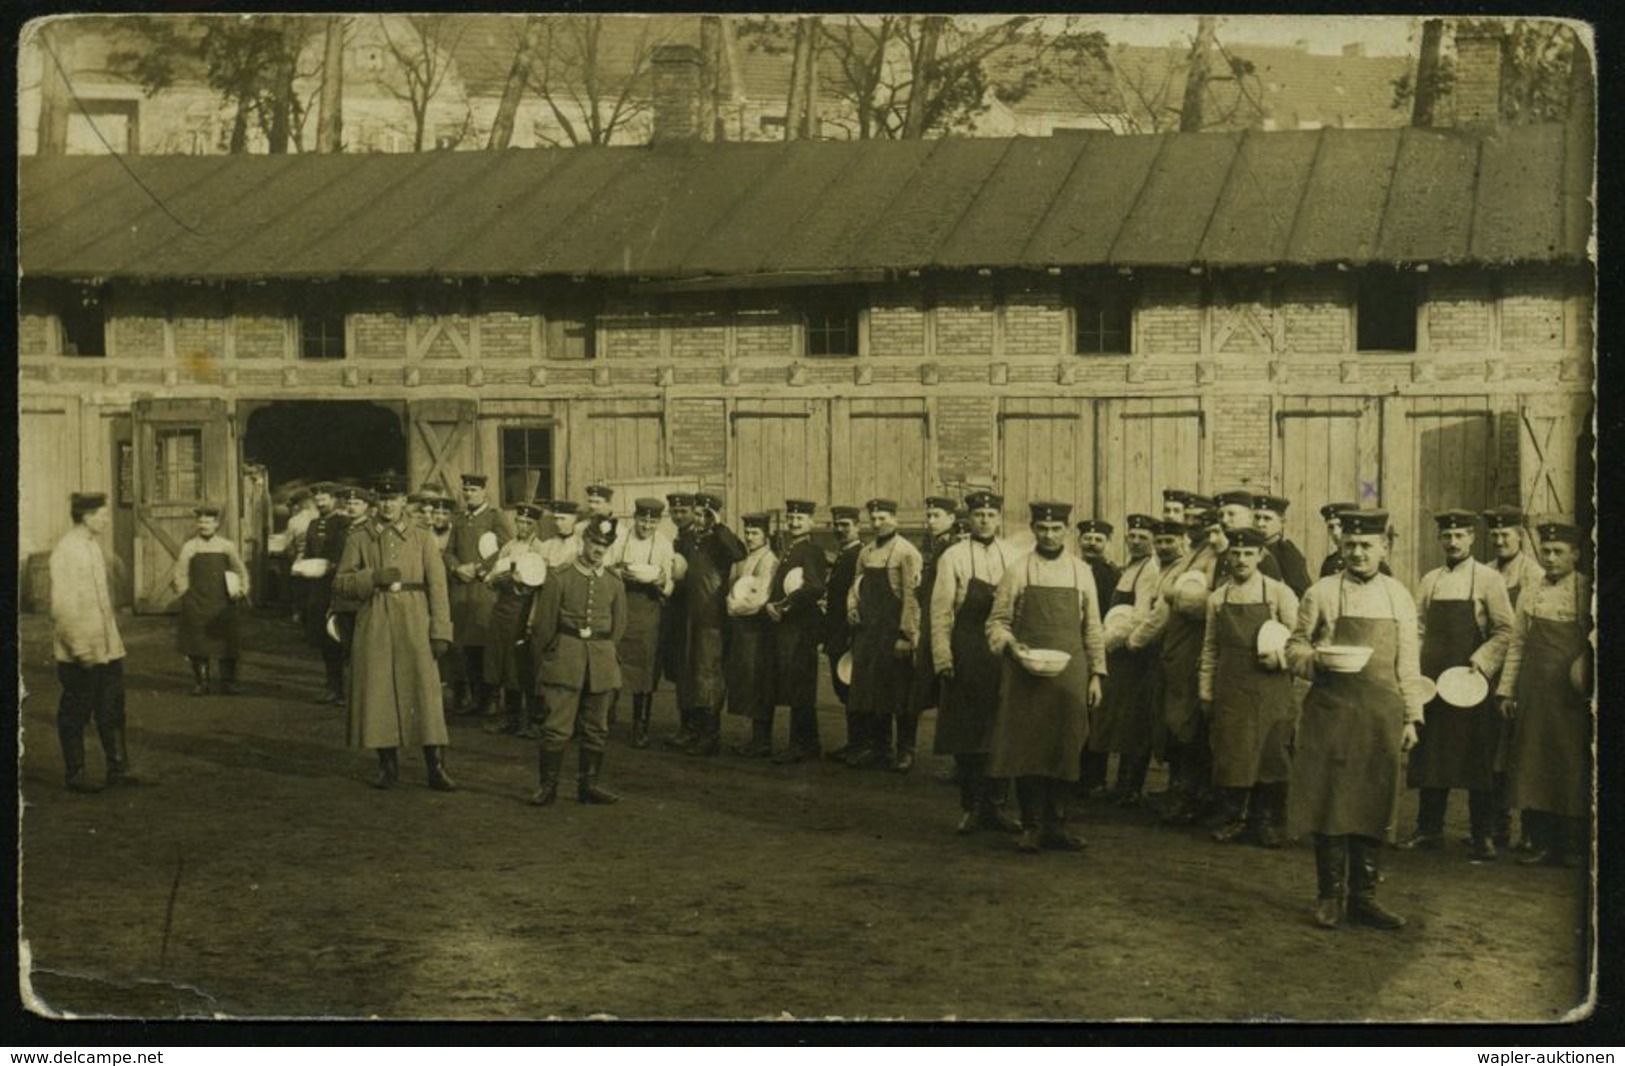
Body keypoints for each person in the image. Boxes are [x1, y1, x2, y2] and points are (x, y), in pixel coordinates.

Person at [1286, 508, 1423, 930]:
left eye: (1367, 546)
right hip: (1332, 712)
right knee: (1331, 801)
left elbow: (1409, 663)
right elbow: (1293, 649)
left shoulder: (1399, 595)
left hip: (1381, 713)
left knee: (1372, 799)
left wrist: (1412, 717)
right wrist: (1317, 662)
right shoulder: (1321, 593)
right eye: (1351, 546)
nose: (1359, 553)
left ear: (1385, 548)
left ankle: (1364, 897)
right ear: (1341, 547)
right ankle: (1330, 896)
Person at [986, 501, 1106, 853]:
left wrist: (1097, 674)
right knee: (1028, 747)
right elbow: (997, 622)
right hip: (1026, 674)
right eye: (1043, 528)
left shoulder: (1081, 572)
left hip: (1070, 674)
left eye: (1056, 529)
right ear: (1033, 529)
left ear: (1066, 531)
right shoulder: (1018, 569)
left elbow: (1093, 627)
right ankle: (1032, 825)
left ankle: (1058, 824)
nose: (1050, 535)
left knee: (1066, 746)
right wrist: (1011, 646)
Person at [1402, 510, 1515, 861]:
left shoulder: (1488, 579)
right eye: (1447, 537)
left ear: (1471, 539)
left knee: (1475, 757)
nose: (1452, 542)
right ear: (1440, 540)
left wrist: (1481, 662)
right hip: (1434, 682)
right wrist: (1417, 672)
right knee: (1431, 754)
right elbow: (1417, 629)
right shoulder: (1429, 580)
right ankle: (1428, 830)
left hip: (1470, 684)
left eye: (1460, 536)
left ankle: (1482, 835)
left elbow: (1505, 630)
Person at [333, 474, 456, 792]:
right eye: (383, 499)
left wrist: (441, 629)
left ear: (404, 501)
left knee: (424, 692)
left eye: (394, 498)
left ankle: (436, 768)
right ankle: (387, 765)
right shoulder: (360, 536)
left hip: (415, 618)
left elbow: (438, 586)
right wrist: (371, 577)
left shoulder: (421, 535)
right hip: (374, 617)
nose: (388, 504)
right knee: (378, 692)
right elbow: (341, 583)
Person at [1496, 521, 1592, 868]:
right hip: (1535, 691)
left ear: (1576, 555)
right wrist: (1507, 691)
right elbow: (1518, 644)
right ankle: (1540, 841)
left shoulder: (1587, 591)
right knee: (1534, 763)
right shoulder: (1530, 591)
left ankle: (1572, 846)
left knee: (1569, 763)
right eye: (1546, 552)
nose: (1551, 559)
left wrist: (1586, 668)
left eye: (1559, 552)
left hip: (1573, 695)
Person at [1197, 526, 1300, 847]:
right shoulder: (1218, 598)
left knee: (1271, 754)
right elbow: (1210, 647)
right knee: (1234, 752)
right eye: (1236, 553)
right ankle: (1236, 819)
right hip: (1232, 686)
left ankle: (1268, 823)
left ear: (1260, 555)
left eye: (1248, 554)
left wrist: (1282, 659)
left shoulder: (1279, 593)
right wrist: (1205, 689)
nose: (1241, 560)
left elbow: (1300, 642)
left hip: (1272, 688)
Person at [932, 490, 1021, 834]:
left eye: (991, 515)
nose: (985, 520)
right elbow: (940, 612)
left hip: (1002, 654)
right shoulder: (953, 557)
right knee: (967, 735)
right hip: (966, 652)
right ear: (968, 519)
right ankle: (970, 806)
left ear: (1000, 518)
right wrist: (943, 657)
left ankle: (996, 806)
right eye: (979, 515)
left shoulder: (1014, 556)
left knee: (1002, 732)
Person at [527, 515, 628, 806]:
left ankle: (589, 785)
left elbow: (619, 627)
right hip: (565, 658)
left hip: (601, 660)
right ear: (584, 541)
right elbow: (544, 627)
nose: (599, 549)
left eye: (605, 545)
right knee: (557, 726)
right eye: (595, 542)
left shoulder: (614, 583)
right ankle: (548, 786)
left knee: (597, 727)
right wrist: (547, 661)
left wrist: (604, 653)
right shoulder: (560, 578)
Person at [1128, 510, 1221, 825]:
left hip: (1192, 652)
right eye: (1190, 520)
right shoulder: (1188, 560)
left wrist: (1136, 640)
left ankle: (1192, 796)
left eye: (1200, 523)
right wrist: (1139, 639)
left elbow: (1190, 606)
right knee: (1175, 722)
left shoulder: (1212, 559)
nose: (1195, 527)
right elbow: (1161, 611)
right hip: (1174, 652)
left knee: (1189, 724)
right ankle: (1180, 790)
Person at [50, 491, 142, 793]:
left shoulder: (92, 548)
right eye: (102, 514)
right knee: (76, 713)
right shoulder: (67, 552)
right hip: (82, 651)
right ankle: (75, 774)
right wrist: (79, 648)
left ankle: (118, 769)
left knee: (113, 709)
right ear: (87, 516)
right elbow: (63, 607)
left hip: (108, 647)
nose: (105, 519)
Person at [1482, 504, 1550, 851]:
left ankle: (1529, 829)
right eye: (1493, 534)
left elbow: (1526, 636)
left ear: (1520, 537)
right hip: (1491, 670)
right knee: (1494, 750)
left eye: (1504, 534)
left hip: (1520, 675)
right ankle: (1497, 826)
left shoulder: (1534, 575)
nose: (1498, 540)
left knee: (1522, 750)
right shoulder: (1487, 572)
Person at [844, 498, 923, 770]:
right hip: (869, 631)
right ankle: (879, 748)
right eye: (873, 519)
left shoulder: (906, 552)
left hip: (894, 631)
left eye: (883, 518)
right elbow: (856, 585)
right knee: (873, 689)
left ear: (895, 519)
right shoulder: (865, 552)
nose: (877, 524)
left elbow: (912, 597)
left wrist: (906, 634)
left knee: (900, 692)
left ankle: (905, 751)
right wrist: (852, 608)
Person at [1091, 513, 1162, 807]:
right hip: (1119, 655)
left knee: (1134, 719)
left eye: (1142, 538)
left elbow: (1140, 615)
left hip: (1134, 655)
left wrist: (1107, 642)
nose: (1135, 542)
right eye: (1131, 536)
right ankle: (1121, 785)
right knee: (1120, 717)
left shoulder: (1150, 569)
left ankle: (1131, 786)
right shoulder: (1129, 567)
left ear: (1153, 542)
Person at [675, 492, 746, 756]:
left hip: (712, 618)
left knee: (709, 674)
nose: (701, 518)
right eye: (698, 513)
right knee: (690, 671)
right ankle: (692, 729)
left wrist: (718, 526)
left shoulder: (720, 540)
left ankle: (710, 734)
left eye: (707, 514)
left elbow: (739, 552)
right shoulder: (690, 539)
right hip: (690, 617)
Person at [759, 499, 828, 764]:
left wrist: (784, 607)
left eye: (800, 519)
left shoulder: (811, 551)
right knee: (793, 683)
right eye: (791, 518)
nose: (794, 522)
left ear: (812, 522)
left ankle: (804, 744)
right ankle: (805, 742)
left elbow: (814, 588)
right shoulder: (791, 549)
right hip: (788, 630)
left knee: (800, 685)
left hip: (800, 629)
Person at [605, 497, 677, 748]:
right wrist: (619, 571)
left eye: (652, 521)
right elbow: (606, 565)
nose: (646, 525)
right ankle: (605, 717)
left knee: (645, 667)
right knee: (612, 660)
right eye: (642, 519)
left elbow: (669, 581)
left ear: (658, 522)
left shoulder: (664, 545)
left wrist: (660, 580)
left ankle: (640, 725)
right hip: (621, 604)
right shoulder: (621, 538)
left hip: (647, 609)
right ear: (634, 518)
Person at [445, 473, 515, 717]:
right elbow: (449, 551)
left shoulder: (496, 517)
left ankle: (491, 698)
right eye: (466, 490)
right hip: (462, 590)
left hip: (485, 589)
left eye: (474, 490)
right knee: (466, 645)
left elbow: (507, 548)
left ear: (484, 492)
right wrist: (456, 567)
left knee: (486, 644)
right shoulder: (459, 518)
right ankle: (475, 697)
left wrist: (479, 568)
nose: (469, 494)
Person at [482, 502, 550, 737]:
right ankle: (510, 717)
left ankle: (531, 721)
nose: (523, 526)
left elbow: (542, 587)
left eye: (528, 523)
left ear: (536, 525)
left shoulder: (540, 550)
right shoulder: (508, 546)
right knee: (503, 662)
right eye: (519, 522)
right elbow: (491, 580)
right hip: (503, 608)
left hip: (525, 609)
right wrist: (495, 580)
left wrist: (533, 615)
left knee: (523, 664)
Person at [903, 496, 960, 772]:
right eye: (929, 515)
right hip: (927, 624)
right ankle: (907, 750)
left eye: (937, 515)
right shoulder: (931, 546)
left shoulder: (956, 548)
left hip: (949, 627)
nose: (931, 521)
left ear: (951, 518)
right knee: (916, 690)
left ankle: (962, 762)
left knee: (956, 696)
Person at [173, 504, 250, 697]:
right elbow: (180, 572)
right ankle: (202, 683)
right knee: (197, 642)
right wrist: (184, 594)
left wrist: (241, 589)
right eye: (200, 521)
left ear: (216, 524)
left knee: (227, 642)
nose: (204, 525)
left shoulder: (226, 546)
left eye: (208, 521)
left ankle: (228, 683)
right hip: (197, 600)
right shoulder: (189, 546)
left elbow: (239, 569)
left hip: (223, 601)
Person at [725, 513, 779, 755]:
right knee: (747, 680)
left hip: (758, 629)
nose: (749, 537)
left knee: (759, 681)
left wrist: (733, 607)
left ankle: (762, 740)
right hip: (742, 628)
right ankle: (755, 738)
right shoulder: (746, 558)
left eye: (755, 533)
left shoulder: (769, 561)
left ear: (765, 536)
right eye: (747, 533)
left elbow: (761, 598)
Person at [1074, 517, 1121, 795]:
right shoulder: (1071, 569)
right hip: (1071, 646)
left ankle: (1094, 778)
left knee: (1096, 714)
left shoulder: (1110, 575)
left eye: (1098, 540)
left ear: (1107, 544)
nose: (1092, 544)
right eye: (1087, 539)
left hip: (1098, 646)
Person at [301, 483, 352, 705]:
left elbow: (349, 554)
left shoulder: (343, 523)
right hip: (318, 588)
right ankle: (333, 686)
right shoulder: (313, 524)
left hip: (340, 586)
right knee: (324, 639)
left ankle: (348, 689)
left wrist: (333, 566)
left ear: (334, 499)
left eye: (325, 497)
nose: (320, 500)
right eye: (317, 497)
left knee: (343, 638)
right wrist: (303, 564)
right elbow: (308, 552)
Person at [821, 504, 864, 760]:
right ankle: (854, 743)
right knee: (844, 691)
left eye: (845, 525)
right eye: (837, 525)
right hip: (836, 632)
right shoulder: (843, 554)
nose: (840, 529)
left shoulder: (859, 555)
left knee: (853, 690)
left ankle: (861, 745)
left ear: (858, 527)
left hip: (850, 633)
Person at [659, 492, 697, 747]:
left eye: (683, 511)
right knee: (680, 669)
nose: (678, 516)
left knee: (689, 670)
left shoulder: (696, 540)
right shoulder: (679, 538)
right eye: (675, 512)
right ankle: (686, 725)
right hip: (677, 612)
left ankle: (692, 727)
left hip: (692, 613)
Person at [1254, 494, 1312, 597]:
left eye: (1267, 519)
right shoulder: (1248, 549)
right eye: (1257, 517)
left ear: (1282, 522)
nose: (1260, 524)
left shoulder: (1286, 553)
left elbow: (1300, 593)